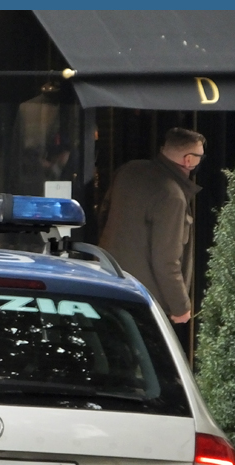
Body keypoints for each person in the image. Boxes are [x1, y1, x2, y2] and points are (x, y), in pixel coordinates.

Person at [98, 128, 205, 333]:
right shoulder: (172, 196)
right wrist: (180, 306)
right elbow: (166, 260)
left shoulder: (129, 170)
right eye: (200, 157)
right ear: (189, 160)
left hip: (109, 283)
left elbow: (103, 215)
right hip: (144, 301)